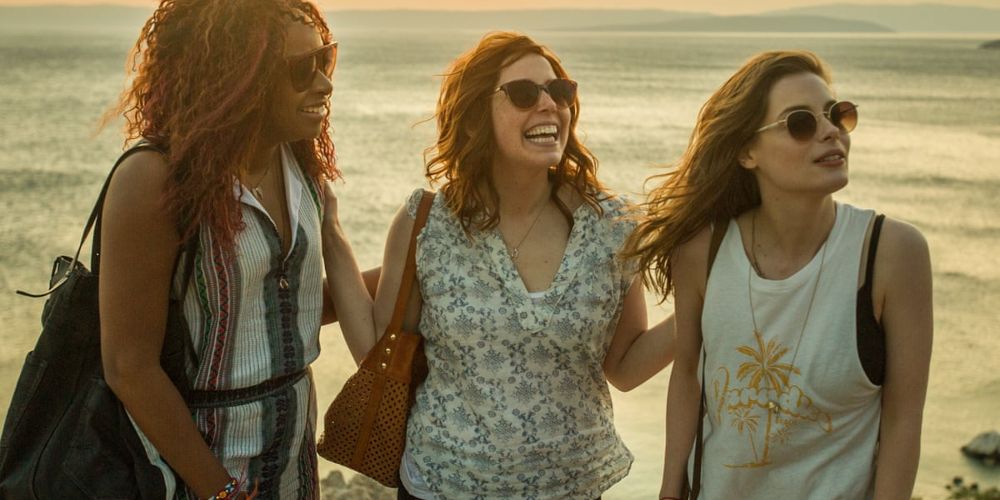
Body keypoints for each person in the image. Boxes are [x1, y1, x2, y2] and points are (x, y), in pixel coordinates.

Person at [321, 31, 675, 499]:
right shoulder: (427, 222)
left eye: (561, 91)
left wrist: (706, 300)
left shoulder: (612, 226)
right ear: (475, 117)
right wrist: (330, 230)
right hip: (441, 486)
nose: (549, 105)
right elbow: (376, 349)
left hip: (571, 488)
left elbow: (626, 369)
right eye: (525, 94)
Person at [623, 50, 933, 499]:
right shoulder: (702, 252)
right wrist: (671, 489)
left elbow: (904, 419)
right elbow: (688, 374)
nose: (830, 132)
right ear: (748, 151)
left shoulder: (891, 253)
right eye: (800, 123)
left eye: (837, 115)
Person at [98, 0, 364, 497]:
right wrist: (217, 490)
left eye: (325, 58)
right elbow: (129, 366)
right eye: (302, 68)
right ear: (238, 78)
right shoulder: (156, 179)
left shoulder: (301, 166)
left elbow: (282, 309)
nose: (325, 83)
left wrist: (420, 268)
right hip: (193, 470)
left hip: (292, 461)